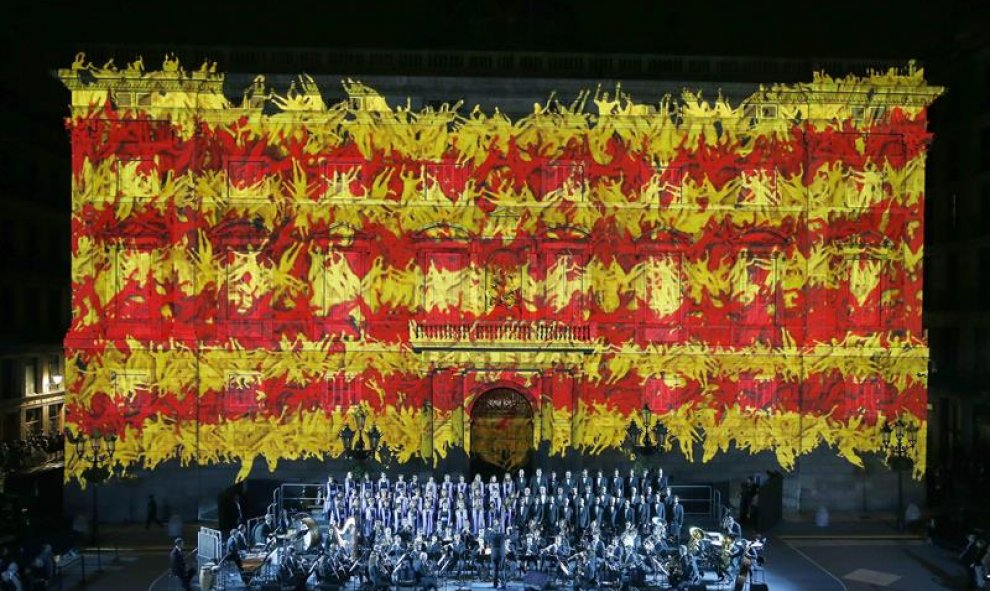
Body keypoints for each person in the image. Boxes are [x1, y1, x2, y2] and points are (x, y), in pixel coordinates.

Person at [486, 522, 507, 589]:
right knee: (502, 569)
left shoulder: (491, 535)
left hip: (494, 555)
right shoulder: (503, 535)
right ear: (499, 529)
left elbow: (486, 537)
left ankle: (495, 585)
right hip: (501, 555)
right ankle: (503, 585)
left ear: (494, 529)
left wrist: (490, 531)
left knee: (495, 570)